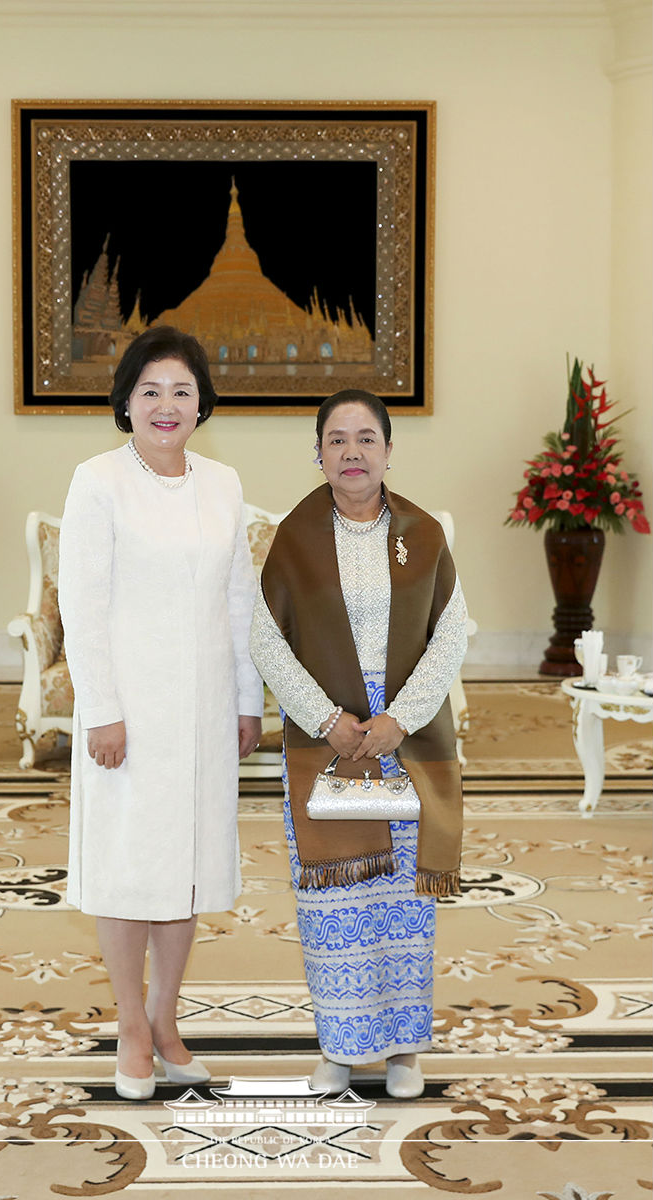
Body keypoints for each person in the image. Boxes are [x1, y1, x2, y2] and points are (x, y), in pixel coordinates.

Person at [59, 326, 263, 1101]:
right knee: (130, 869)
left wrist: (247, 700)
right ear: (127, 402)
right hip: (130, 716)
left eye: (181, 390)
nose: (167, 405)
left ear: (202, 402)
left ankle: (166, 1017)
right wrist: (102, 709)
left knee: (186, 869)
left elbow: (239, 600)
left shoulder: (223, 483)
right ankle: (130, 1027)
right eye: (150, 391)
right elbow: (84, 605)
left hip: (207, 711)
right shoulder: (98, 481)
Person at [250, 389, 467, 1098]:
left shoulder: (427, 536)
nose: (351, 451)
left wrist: (398, 720)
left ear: (388, 451)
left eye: (365, 438)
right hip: (328, 739)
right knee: (335, 904)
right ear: (318, 453)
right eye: (337, 439)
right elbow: (265, 640)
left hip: (406, 735)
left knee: (404, 899)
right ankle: (340, 1046)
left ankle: (404, 1049)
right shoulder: (294, 538)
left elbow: (450, 638)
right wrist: (326, 719)